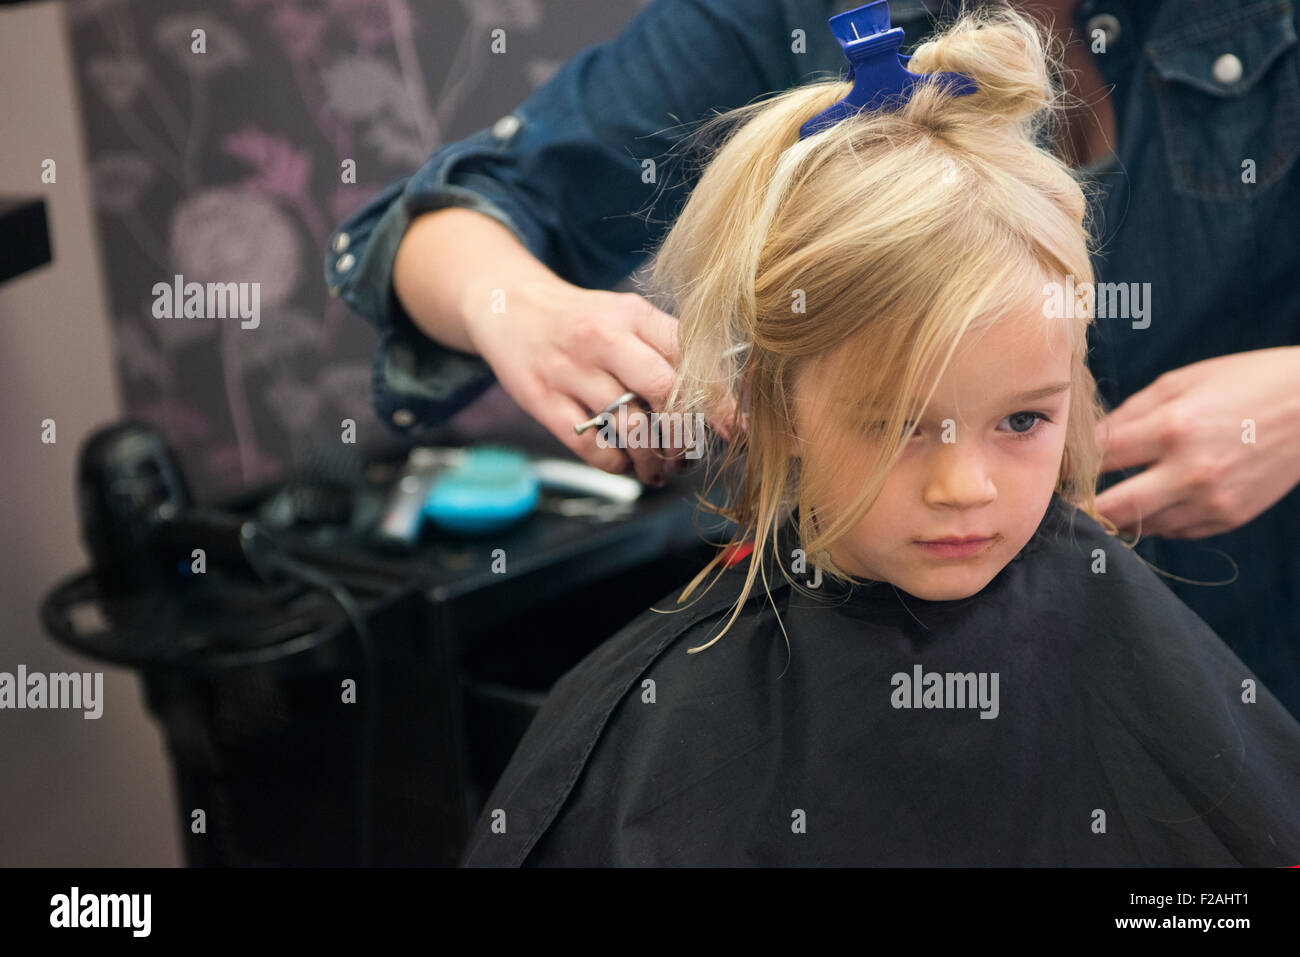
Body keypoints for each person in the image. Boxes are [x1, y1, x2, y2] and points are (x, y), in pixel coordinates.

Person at [451, 4, 1300, 865]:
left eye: (1022, 418)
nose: (964, 485)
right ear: (771, 409)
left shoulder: (1137, 651)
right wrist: (514, 305)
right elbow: (459, 209)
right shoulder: (676, 729)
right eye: (897, 424)